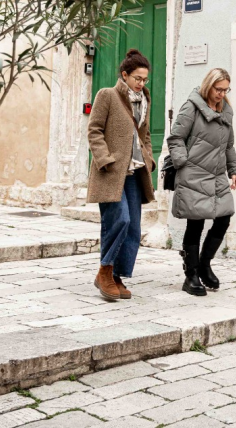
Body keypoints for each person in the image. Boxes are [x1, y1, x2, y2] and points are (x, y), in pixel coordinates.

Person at [86, 49, 157, 301]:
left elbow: (144, 134)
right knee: (120, 220)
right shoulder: (107, 95)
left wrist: (148, 158)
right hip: (112, 172)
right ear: (124, 75)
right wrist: (105, 159)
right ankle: (104, 271)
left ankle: (116, 276)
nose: (141, 83)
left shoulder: (145, 100)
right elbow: (94, 130)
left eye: (145, 79)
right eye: (137, 78)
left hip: (135, 173)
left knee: (134, 228)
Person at [168, 67, 236, 296]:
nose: (221, 93)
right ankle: (191, 276)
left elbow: (228, 145)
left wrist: (234, 171)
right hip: (194, 172)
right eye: (218, 89)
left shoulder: (226, 111)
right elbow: (176, 138)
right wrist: (183, 163)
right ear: (208, 86)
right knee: (196, 223)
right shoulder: (192, 107)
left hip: (217, 175)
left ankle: (204, 263)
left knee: (224, 217)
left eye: (225, 89)